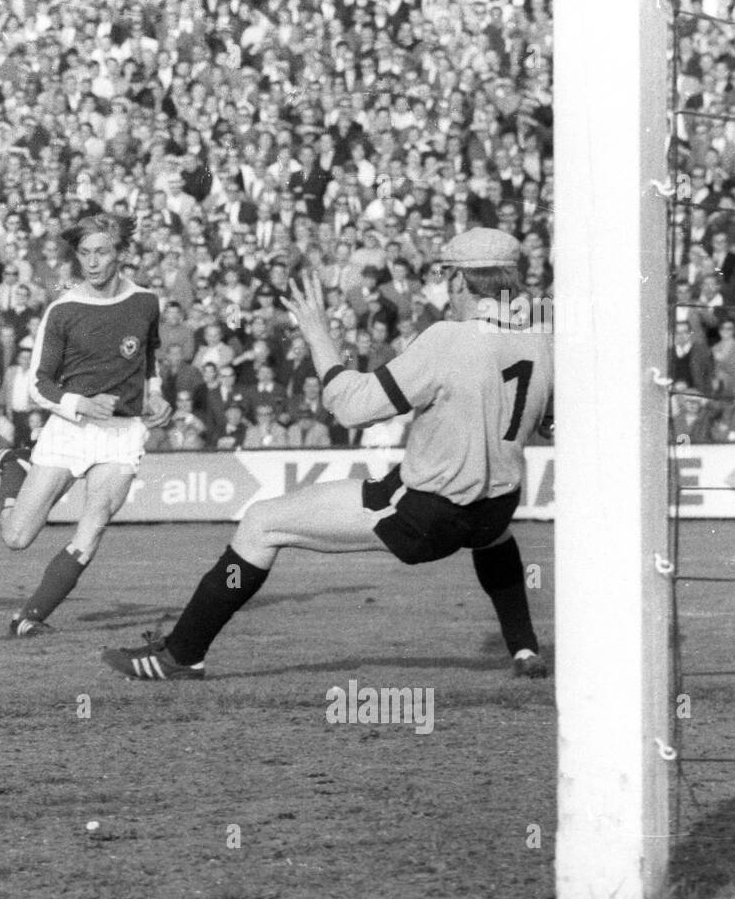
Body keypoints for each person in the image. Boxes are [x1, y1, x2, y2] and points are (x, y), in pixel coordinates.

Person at [103, 228, 554, 681]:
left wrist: (318, 334)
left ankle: (182, 654)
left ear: (459, 281)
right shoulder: (538, 342)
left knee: (261, 523)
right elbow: (549, 423)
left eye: (447, 276)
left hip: (428, 516)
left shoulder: (447, 339)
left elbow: (351, 407)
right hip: (494, 509)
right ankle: (523, 650)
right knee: (495, 538)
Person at [0, 208, 170, 636]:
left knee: (96, 519)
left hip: (122, 432)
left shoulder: (145, 302)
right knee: (16, 537)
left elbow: (150, 358)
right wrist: (81, 404)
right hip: (70, 430)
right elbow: (37, 385)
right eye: (85, 253)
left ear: (121, 252)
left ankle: (30, 617)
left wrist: (155, 393)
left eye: (102, 252)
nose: (93, 262)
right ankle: (12, 463)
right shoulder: (63, 310)